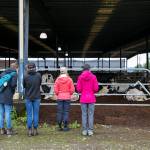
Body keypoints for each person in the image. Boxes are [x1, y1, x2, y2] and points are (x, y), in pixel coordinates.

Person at [76, 64, 98, 136]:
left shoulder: (80, 77)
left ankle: (84, 130)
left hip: (83, 98)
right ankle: (90, 130)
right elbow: (96, 89)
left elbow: (78, 89)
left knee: (84, 114)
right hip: (91, 98)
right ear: (89, 69)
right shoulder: (94, 77)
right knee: (91, 114)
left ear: (83, 69)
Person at [54, 67, 75, 131]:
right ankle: (65, 126)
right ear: (66, 72)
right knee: (66, 112)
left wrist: (58, 94)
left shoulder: (57, 80)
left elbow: (55, 90)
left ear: (60, 72)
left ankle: (60, 126)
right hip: (67, 97)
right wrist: (69, 94)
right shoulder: (70, 79)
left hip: (60, 97)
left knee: (60, 112)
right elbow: (72, 90)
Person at [0, 62, 18, 135]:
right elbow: (13, 85)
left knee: (1, 113)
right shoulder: (14, 74)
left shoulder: (2, 73)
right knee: (7, 113)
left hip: (0, 94)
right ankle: (9, 130)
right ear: (16, 67)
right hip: (7, 96)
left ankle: (1, 129)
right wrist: (12, 91)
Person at [24, 63, 41, 136]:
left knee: (29, 114)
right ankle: (36, 129)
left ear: (28, 68)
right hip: (37, 97)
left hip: (28, 97)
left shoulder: (26, 76)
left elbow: (24, 85)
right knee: (36, 114)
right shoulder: (38, 75)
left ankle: (30, 130)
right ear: (35, 67)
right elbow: (40, 83)